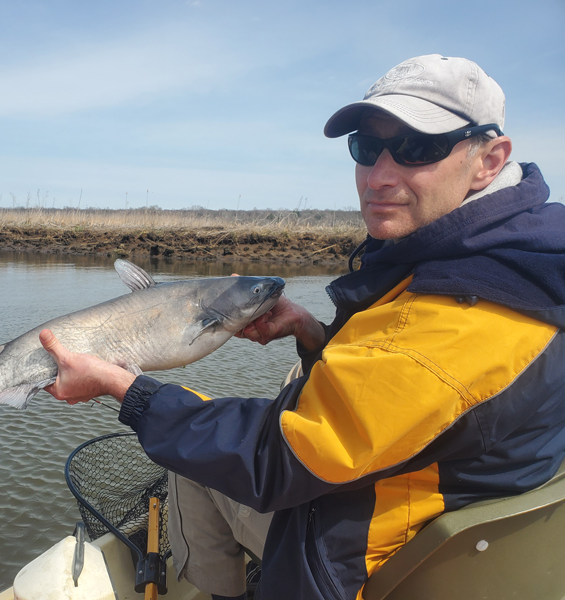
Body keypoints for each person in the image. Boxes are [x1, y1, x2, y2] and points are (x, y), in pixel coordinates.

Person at [40, 54, 565, 599]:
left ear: (488, 160)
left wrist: (123, 388)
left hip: (352, 562)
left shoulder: (467, 316)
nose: (379, 176)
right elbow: (400, 391)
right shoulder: (511, 265)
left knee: (192, 459)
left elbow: (269, 460)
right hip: (409, 508)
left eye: (417, 147)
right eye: (367, 147)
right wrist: (315, 336)